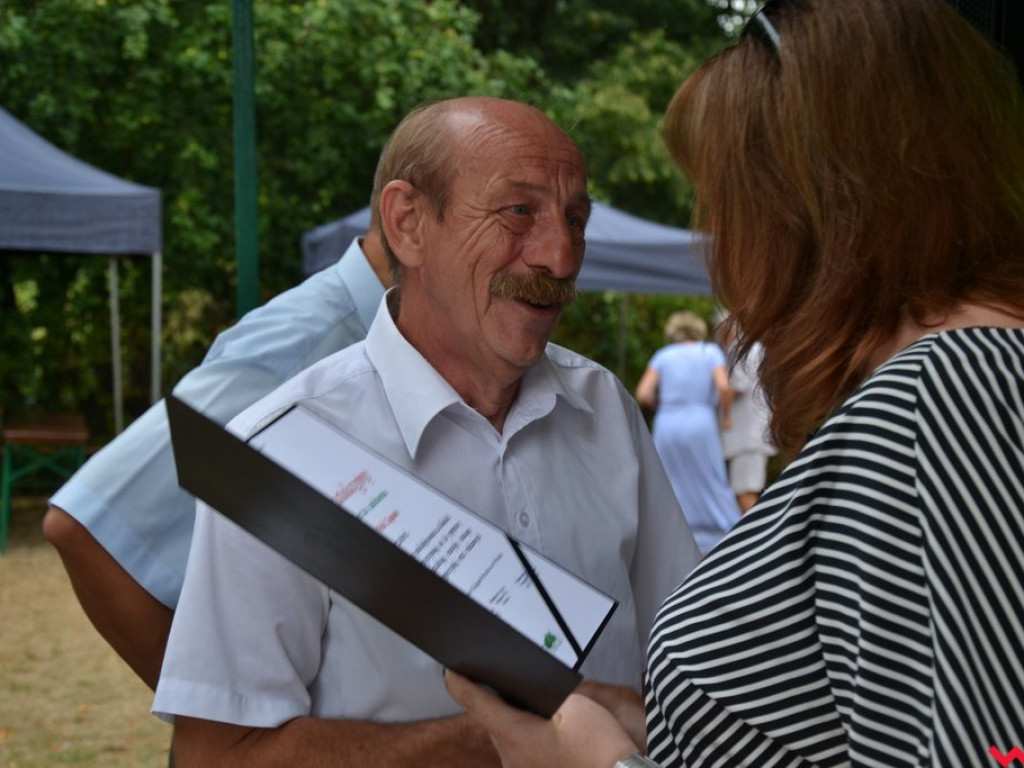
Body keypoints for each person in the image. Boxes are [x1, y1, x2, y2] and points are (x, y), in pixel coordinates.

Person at [446, 1, 1024, 766]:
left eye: (725, 207)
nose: (718, 254)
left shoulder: (946, 400)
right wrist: (667, 724)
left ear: (818, 203)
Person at [152, 96, 701, 766]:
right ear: (409, 223)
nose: (561, 256)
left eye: (576, 219)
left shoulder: (604, 407)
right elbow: (213, 755)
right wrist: (487, 742)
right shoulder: (284, 450)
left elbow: (689, 667)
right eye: (519, 211)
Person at [41, 220, 392, 691]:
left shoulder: (366, 337)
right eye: (512, 210)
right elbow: (85, 524)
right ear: (407, 218)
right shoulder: (309, 340)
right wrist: (219, 726)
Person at [635, 310, 740, 553]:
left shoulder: (663, 355)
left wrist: (661, 406)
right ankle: (722, 530)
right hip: (700, 421)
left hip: (668, 422)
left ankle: (671, 529)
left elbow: (642, 394)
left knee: (667, 476)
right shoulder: (710, 352)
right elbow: (724, 387)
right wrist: (725, 416)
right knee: (709, 472)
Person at [716, 314, 775, 513]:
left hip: (746, 435)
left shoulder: (740, 349)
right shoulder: (757, 348)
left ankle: (756, 538)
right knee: (749, 489)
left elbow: (734, 387)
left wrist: (723, 413)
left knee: (745, 492)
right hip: (755, 432)